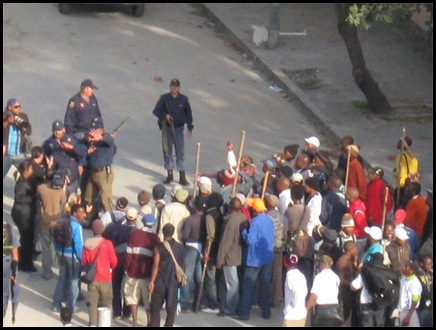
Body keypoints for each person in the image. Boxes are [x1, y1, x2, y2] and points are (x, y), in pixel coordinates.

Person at [234, 198, 274, 321]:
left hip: (254, 259)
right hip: (267, 258)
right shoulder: (269, 220)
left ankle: (244, 312)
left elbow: (250, 240)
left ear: (253, 210)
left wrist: (244, 231)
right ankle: (266, 311)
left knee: (248, 284)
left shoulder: (254, 222)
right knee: (265, 284)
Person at [152, 78, 194, 186]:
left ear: (179, 88)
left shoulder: (184, 100)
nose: (174, 88)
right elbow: (156, 110)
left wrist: (190, 128)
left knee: (180, 152)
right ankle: (169, 174)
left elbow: (189, 114)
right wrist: (164, 115)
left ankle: (182, 176)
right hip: (167, 128)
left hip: (179, 129)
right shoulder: (164, 98)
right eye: (172, 86)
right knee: (167, 151)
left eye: (176, 86)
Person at [124, 214, 160, 326]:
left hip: (132, 272)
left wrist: (126, 268)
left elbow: (128, 255)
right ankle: (149, 322)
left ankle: (134, 322)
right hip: (147, 275)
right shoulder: (155, 239)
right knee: (148, 302)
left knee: (132, 299)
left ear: (143, 222)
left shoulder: (133, 235)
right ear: (153, 225)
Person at [102, 207, 137, 319]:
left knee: (116, 285)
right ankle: (126, 312)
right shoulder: (137, 232)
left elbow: (105, 238)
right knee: (127, 286)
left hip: (116, 258)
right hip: (130, 260)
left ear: (125, 217)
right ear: (136, 219)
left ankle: (116, 312)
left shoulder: (115, 228)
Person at [82, 219, 118, 327]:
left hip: (92, 278)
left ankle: (92, 324)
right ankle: (105, 323)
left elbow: (84, 261)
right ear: (102, 230)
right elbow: (114, 261)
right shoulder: (107, 244)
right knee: (107, 303)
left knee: (92, 303)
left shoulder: (87, 244)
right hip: (105, 278)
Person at [148, 223, 185, 327]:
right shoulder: (180, 247)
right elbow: (182, 265)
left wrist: (151, 282)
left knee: (155, 310)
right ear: (173, 233)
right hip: (173, 282)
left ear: (163, 233)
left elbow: (155, 265)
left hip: (160, 282)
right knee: (171, 311)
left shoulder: (158, 247)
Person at [51, 204, 85, 313]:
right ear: (75, 213)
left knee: (61, 279)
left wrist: (58, 251)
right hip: (73, 257)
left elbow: (54, 237)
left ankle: (56, 304)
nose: (84, 215)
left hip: (61, 254)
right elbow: (79, 245)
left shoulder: (61, 221)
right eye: (81, 212)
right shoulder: (77, 226)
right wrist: (82, 259)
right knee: (74, 281)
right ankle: (71, 306)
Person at [216, 197, 246, 317]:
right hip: (239, 254)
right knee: (233, 282)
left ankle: (230, 308)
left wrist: (220, 259)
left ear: (230, 207)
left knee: (232, 283)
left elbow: (225, 242)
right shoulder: (243, 217)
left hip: (230, 256)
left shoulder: (231, 221)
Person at [42, 120, 87, 198]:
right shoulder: (48, 143)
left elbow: (83, 151)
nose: (57, 132)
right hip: (58, 181)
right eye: (55, 130)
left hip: (72, 180)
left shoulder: (71, 138)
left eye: (59, 130)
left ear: (63, 129)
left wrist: (80, 163)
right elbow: (44, 156)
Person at [36, 169, 67, 280]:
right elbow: (64, 204)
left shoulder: (41, 189)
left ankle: (46, 272)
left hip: (44, 222)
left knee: (46, 247)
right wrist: (64, 188)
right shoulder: (60, 192)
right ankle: (62, 270)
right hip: (57, 223)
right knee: (59, 247)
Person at [83, 117, 116, 215]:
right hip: (93, 173)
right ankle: (89, 218)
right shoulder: (92, 141)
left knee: (106, 199)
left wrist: (101, 138)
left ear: (101, 130)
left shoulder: (106, 140)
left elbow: (110, 140)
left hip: (103, 173)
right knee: (88, 197)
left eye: (95, 130)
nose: (92, 133)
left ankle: (112, 219)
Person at [11, 159, 38, 272]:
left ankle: (23, 260)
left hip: (23, 212)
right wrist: (34, 197)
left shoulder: (25, 180)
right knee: (27, 239)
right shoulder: (22, 183)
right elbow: (20, 197)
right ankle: (25, 264)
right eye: (31, 169)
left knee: (26, 238)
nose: (32, 170)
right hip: (23, 214)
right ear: (26, 170)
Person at [180, 196, 206, 313]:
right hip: (202, 249)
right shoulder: (206, 219)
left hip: (190, 247)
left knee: (188, 276)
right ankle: (198, 302)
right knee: (199, 276)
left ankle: (184, 303)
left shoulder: (191, 219)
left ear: (195, 206)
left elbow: (185, 235)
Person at [306, 255, 341, 326]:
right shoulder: (336, 277)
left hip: (322, 309)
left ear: (321, 264)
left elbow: (314, 296)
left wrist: (306, 310)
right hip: (334, 309)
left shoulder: (319, 277)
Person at [3, 98, 32, 178]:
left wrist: (20, 125)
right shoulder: (4, 116)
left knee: (27, 176)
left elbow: (29, 131)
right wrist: (7, 122)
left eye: (19, 106)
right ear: (9, 107)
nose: (18, 108)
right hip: (6, 155)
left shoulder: (23, 116)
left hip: (20, 154)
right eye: (16, 107)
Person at [391, 135, 419, 210]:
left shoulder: (401, 156)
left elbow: (399, 173)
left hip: (402, 187)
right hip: (411, 187)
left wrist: (394, 172)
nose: (397, 143)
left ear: (403, 144)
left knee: (398, 211)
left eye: (399, 141)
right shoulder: (414, 158)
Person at [282, 254, 308, 327]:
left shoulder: (290, 277)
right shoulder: (301, 275)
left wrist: (294, 304)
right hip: (301, 314)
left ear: (285, 263)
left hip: (292, 316)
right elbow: (305, 290)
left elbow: (298, 292)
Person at [396, 259, 422, 327]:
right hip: (401, 312)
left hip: (409, 314)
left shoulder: (415, 284)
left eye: (406, 266)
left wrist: (408, 317)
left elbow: (414, 301)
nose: (403, 267)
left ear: (412, 270)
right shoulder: (403, 278)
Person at [3, 221, 20, 319]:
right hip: (5, 264)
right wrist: (14, 273)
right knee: (4, 293)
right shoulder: (9, 229)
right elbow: (15, 254)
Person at [416, 256, 433, 327]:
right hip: (422, 304)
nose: (429, 266)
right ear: (421, 264)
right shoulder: (418, 275)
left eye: (430, 264)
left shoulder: (430, 274)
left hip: (430, 304)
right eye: (427, 264)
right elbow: (422, 290)